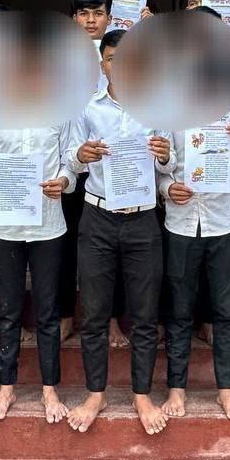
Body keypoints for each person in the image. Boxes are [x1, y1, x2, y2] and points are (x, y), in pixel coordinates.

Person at [66, 29, 175, 435]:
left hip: (143, 218)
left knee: (144, 314)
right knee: (95, 312)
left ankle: (141, 394)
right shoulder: (86, 108)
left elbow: (169, 163)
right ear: (103, 64)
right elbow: (70, 159)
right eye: (113, 59)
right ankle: (95, 392)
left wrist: (164, 155)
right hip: (98, 217)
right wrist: (81, 155)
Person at [159, 6, 230, 421]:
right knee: (180, 309)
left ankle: (226, 389)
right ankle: (176, 389)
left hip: (224, 220)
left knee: (225, 310)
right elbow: (161, 166)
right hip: (181, 220)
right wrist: (168, 187)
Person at [0, 123, 77, 423]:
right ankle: (6, 388)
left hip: (48, 225)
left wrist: (63, 181)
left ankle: (49, 390)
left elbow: (70, 161)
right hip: (7, 225)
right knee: (8, 312)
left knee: (48, 311)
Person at [66, 0, 129, 349]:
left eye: (98, 14)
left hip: (116, 167)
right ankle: (68, 314)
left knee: (114, 253)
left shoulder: (120, 52)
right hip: (72, 162)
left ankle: (112, 320)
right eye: (84, 14)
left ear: (109, 17)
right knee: (72, 247)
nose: (91, 20)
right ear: (74, 18)